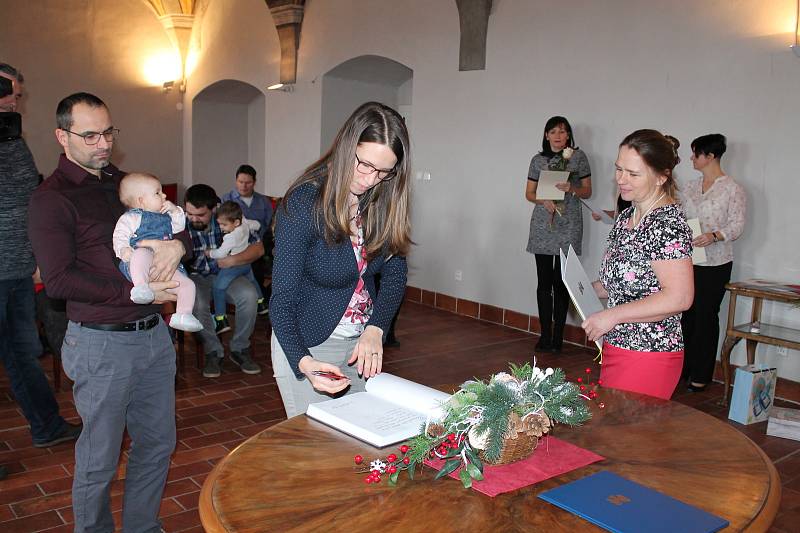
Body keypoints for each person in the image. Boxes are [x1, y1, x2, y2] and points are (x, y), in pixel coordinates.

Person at [28, 92, 182, 532]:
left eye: (108, 132)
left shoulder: (124, 181)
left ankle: (142, 528)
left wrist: (175, 245)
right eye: (90, 135)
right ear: (63, 136)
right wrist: (140, 288)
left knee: (157, 445)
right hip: (101, 343)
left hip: (153, 335)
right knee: (99, 460)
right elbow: (57, 281)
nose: (103, 144)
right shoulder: (51, 199)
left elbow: (171, 226)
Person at [270, 101, 411, 418]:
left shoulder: (380, 202)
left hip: (360, 347)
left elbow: (393, 277)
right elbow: (281, 300)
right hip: (307, 343)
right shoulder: (305, 204)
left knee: (358, 444)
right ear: (347, 146)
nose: (369, 178)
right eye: (364, 164)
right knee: (315, 454)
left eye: (383, 171)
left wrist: (376, 329)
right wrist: (304, 362)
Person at [0, 64, 81, 486]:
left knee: (23, 351)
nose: (14, 99)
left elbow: (28, 192)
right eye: (7, 90)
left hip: (14, 269)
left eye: (16, 91)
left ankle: (46, 426)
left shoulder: (12, 136)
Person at [582, 129, 694, 400]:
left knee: (630, 437)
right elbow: (625, 283)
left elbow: (679, 297)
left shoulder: (666, 225)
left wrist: (612, 315)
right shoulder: (627, 217)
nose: (621, 179)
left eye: (633, 174)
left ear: (661, 176)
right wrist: (583, 288)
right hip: (619, 345)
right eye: (619, 169)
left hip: (649, 351)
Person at [678, 134, 746, 392]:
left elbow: (737, 225)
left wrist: (714, 236)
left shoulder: (732, 189)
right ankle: (682, 368)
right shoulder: (690, 187)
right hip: (689, 258)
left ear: (710, 156)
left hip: (716, 262)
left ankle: (701, 374)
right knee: (686, 315)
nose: (692, 159)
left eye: (695, 154)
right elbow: (679, 214)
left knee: (706, 316)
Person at [525, 116, 592, 352]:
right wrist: (543, 200)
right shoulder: (537, 160)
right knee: (544, 282)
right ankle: (544, 335)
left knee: (562, 282)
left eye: (562, 132)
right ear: (546, 135)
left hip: (569, 222)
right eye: (553, 132)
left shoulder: (578, 157)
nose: (557, 136)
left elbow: (587, 190)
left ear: (568, 135)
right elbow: (529, 193)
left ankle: (558, 338)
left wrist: (571, 188)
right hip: (544, 223)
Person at [183, 184, 263, 377]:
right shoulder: (180, 224)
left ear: (214, 208)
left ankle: (239, 347)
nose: (194, 219)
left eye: (200, 215)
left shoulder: (230, 219)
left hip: (228, 274)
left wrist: (233, 260)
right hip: (196, 275)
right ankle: (213, 351)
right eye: (190, 213)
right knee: (197, 303)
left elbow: (259, 248)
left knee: (249, 295)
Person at [113, 172, 203, 332]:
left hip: (166, 265)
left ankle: (183, 314)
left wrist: (175, 211)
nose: (164, 195)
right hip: (140, 265)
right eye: (157, 193)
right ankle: (141, 288)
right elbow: (120, 234)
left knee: (188, 285)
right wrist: (124, 250)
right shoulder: (132, 217)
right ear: (141, 200)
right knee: (141, 253)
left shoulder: (166, 216)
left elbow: (179, 227)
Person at [205, 200, 267, 333]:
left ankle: (221, 319)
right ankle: (261, 303)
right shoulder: (244, 223)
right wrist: (251, 225)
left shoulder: (230, 237)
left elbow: (221, 253)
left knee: (218, 288)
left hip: (233, 267)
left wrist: (209, 253)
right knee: (253, 281)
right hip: (245, 264)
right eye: (219, 224)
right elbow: (257, 224)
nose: (221, 227)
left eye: (224, 225)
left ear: (236, 222)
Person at [222, 164, 274, 300]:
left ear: (254, 182)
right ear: (235, 181)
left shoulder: (263, 201)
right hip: (236, 244)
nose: (244, 186)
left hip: (261, 244)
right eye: (240, 182)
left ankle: (260, 297)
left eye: (248, 183)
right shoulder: (226, 199)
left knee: (258, 257)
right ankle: (256, 297)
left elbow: (271, 225)